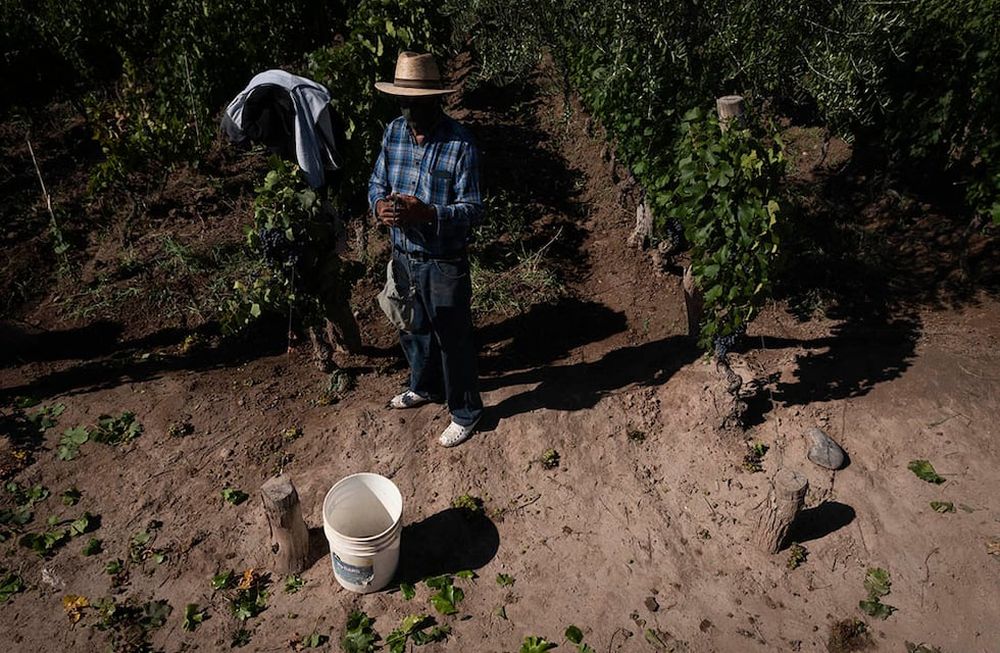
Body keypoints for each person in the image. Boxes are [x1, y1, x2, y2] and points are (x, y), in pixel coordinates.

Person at [368, 51, 484, 447]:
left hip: (443, 260)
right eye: (404, 102)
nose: (409, 111)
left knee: (453, 340)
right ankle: (424, 387)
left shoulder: (460, 143)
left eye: (417, 103)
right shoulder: (393, 133)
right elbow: (376, 183)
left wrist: (429, 213)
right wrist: (379, 206)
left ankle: (466, 411)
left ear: (438, 99)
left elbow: (473, 210)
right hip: (403, 256)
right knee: (413, 328)